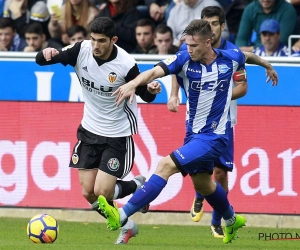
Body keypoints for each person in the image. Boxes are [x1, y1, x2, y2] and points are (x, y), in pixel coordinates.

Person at [97, 19, 278, 244]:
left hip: (215, 137)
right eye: (187, 45)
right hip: (193, 134)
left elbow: (248, 57)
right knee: (203, 184)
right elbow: (154, 71)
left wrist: (267, 65)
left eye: (193, 45)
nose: (188, 49)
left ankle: (122, 214)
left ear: (208, 42)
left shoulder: (229, 59)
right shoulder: (184, 59)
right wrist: (134, 84)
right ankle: (232, 220)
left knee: (165, 165)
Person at [35, 17, 161, 245]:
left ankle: (139, 186)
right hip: (89, 130)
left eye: (101, 41)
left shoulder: (125, 63)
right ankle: (127, 225)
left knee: (103, 191)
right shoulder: (80, 50)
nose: (95, 45)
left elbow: (146, 95)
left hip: (117, 134)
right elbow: (42, 60)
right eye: (93, 39)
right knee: (88, 193)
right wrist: (46, 54)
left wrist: (152, 89)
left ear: (113, 40)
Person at [168, 5, 248, 238]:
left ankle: (217, 220)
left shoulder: (233, 54)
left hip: (224, 121)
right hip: (196, 122)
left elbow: (243, 87)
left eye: (215, 24)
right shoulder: (190, 49)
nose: (211, 29)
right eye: (207, 24)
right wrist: (174, 95)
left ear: (223, 26)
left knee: (221, 173)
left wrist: (218, 96)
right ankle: (200, 194)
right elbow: (176, 69)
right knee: (201, 173)